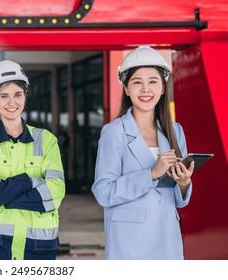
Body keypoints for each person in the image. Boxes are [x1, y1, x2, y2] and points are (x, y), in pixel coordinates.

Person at [91, 46, 195, 260]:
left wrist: (184, 183)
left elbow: (177, 199)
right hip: (131, 242)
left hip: (167, 237)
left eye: (153, 82)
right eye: (137, 82)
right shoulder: (114, 132)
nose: (146, 89)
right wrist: (151, 174)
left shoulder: (174, 131)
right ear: (127, 89)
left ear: (163, 88)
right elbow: (103, 191)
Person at [0, 60, 66, 260]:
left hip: (39, 244)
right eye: (4, 96)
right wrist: (31, 181)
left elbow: (55, 191)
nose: (12, 103)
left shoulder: (46, 140)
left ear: (25, 95)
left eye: (17, 95)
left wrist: (5, 197)